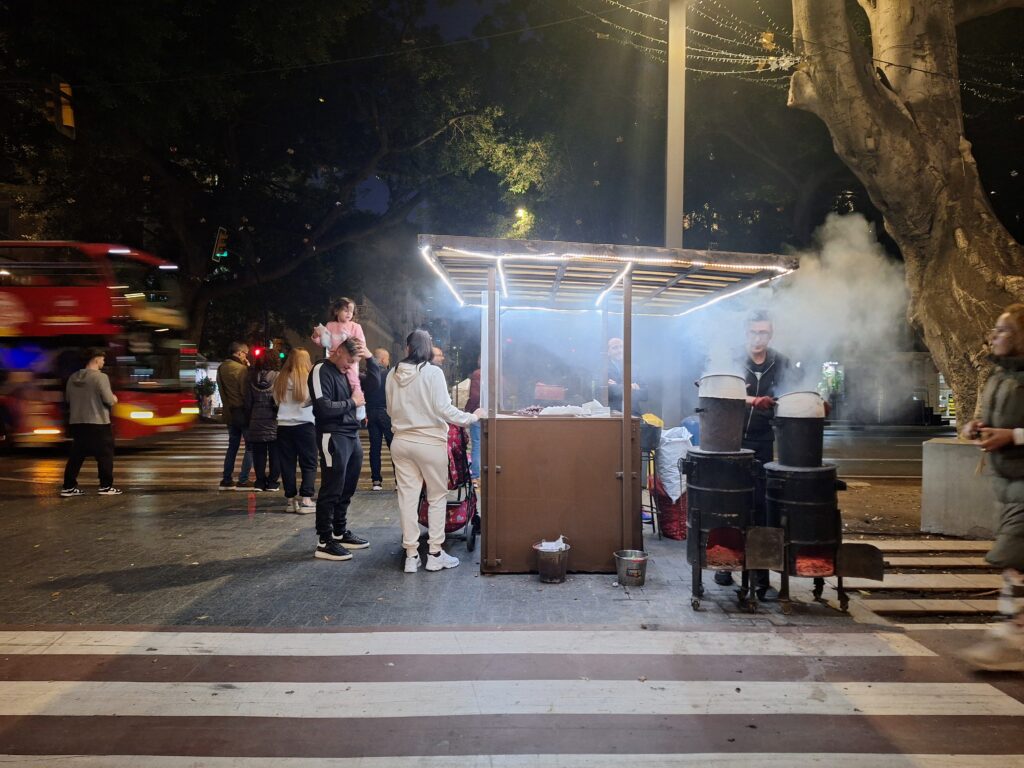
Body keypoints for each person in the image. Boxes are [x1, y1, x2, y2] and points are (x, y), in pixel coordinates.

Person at [959, 304, 1024, 671]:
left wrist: (1012, 436)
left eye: (1003, 331)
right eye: (995, 331)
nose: (994, 337)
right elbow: (993, 420)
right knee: (1015, 564)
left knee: (1012, 560)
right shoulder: (999, 375)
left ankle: (1007, 638)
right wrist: (977, 428)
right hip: (1008, 483)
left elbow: (1013, 429)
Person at [388, 330, 484, 574]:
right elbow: (445, 409)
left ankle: (411, 555)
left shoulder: (392, 373)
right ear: (428, 349)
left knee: (407, 499)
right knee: (436, 497)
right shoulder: (432, 372)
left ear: (408, 348)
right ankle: (434, 553)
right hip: (429, 442)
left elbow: (390, 409)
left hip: (400, 441)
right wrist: (472, 417)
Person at [714, 309, 791, 593]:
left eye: (764, 333)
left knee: (760, 505)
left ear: (770, 335)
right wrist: (751, 400)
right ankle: (724, 565)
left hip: (762, 439)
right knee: (730, 504)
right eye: (753, 332)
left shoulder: (780, 362)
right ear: (745, 333)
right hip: (731, 439)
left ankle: (760, 574)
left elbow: (790, 392)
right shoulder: (732, 358)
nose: (758, 338)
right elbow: (718, 390)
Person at [309, 337, 381, 561]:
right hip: (332, 434)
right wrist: (352, 402)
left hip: (351, 434)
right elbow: (323, 407)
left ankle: (339, 531)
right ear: (338, 351)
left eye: (354, 362)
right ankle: (324, 540)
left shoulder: (346, 373)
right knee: (332, 487)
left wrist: (369, 357)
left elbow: (373, 385)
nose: (350, 366)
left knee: (347, 487)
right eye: (349, 360)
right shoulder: (321, 369)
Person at [60, 347, 121, 496]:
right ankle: (105, 486)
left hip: (77, 422)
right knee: (105, 454)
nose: (103, 361)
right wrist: (114, 398)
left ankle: (68, 486)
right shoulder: (100, 377)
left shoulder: (73, 377)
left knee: (76, 455)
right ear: (96, 359)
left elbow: (68, 399)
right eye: (102, 359)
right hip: (98, 422)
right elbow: (109, 400)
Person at [274, 348, 317, 513]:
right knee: (309, 463)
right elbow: (313, 400)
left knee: (287, 464)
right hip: (305, 424)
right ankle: (306, 498)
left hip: (283, 426)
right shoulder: (309, 378)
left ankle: (290, 500)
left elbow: (276, 400)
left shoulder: (281, 378)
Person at [311, 297, 367, 421]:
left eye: (351, 311)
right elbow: (323, 342)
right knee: (325, 379)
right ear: (336, 311)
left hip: (350, 359)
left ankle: (359, 403)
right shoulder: (330, 325)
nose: (349, 314)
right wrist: (316, 335)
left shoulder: (355, 326)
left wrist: (350, 346)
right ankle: (314, 397)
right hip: (332, 358)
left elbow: (361, 343)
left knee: (353, 380)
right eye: (345, 310)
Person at [217, 342, 254, 490]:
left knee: (232, 446)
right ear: (239, 353)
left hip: (229, 413)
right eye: (245, 353)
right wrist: (248, 367)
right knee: (250, 447)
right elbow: (246, 393)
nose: (246, 356)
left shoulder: (221, 368)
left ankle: (227, 479)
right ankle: (243, 480)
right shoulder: (241, 369)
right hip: (243, 413)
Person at [244, 352, 280, 492]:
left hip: (256, 418)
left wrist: (249, 417)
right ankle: (272, 482)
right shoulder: (278, 376)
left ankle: (259, 482)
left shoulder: (251, 377)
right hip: (273, 420)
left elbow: (247, 402)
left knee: (259, 453)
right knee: (275, 453)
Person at [365, 347, 393, 491]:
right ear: (383, 359)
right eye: (387, 359)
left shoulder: (367, 374)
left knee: (374, 448)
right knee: (394, 447)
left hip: (371, 413)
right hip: (386, 413)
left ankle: (376, 481)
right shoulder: (390, 374)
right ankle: (399, 481)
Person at [606, 337, 646, 414]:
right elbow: (609, 392)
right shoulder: (603, 370)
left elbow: (645, 394)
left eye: (621, 347)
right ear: (608, 352)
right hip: (613, 415)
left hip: (634, 414)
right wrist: (631, 387)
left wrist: (617, 386)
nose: (619, 350)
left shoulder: (635, 368)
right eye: (615, 348)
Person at [464, 361, 482, 481]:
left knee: (476, 444)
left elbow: (475, 395)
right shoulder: (498, 375)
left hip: (478, 413)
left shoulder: (477, 374)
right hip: (492, 413)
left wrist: (468, 410)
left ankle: (476, 473)